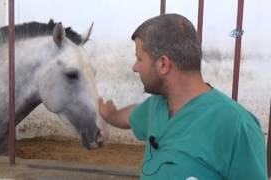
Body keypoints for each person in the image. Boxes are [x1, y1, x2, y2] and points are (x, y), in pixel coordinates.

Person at [98, 14, 267, 179]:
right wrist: (109, 114)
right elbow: (130, 116)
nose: (135, 67)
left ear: (163, 64)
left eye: (139, 58)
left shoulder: (237, 127)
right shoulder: (156, 106)